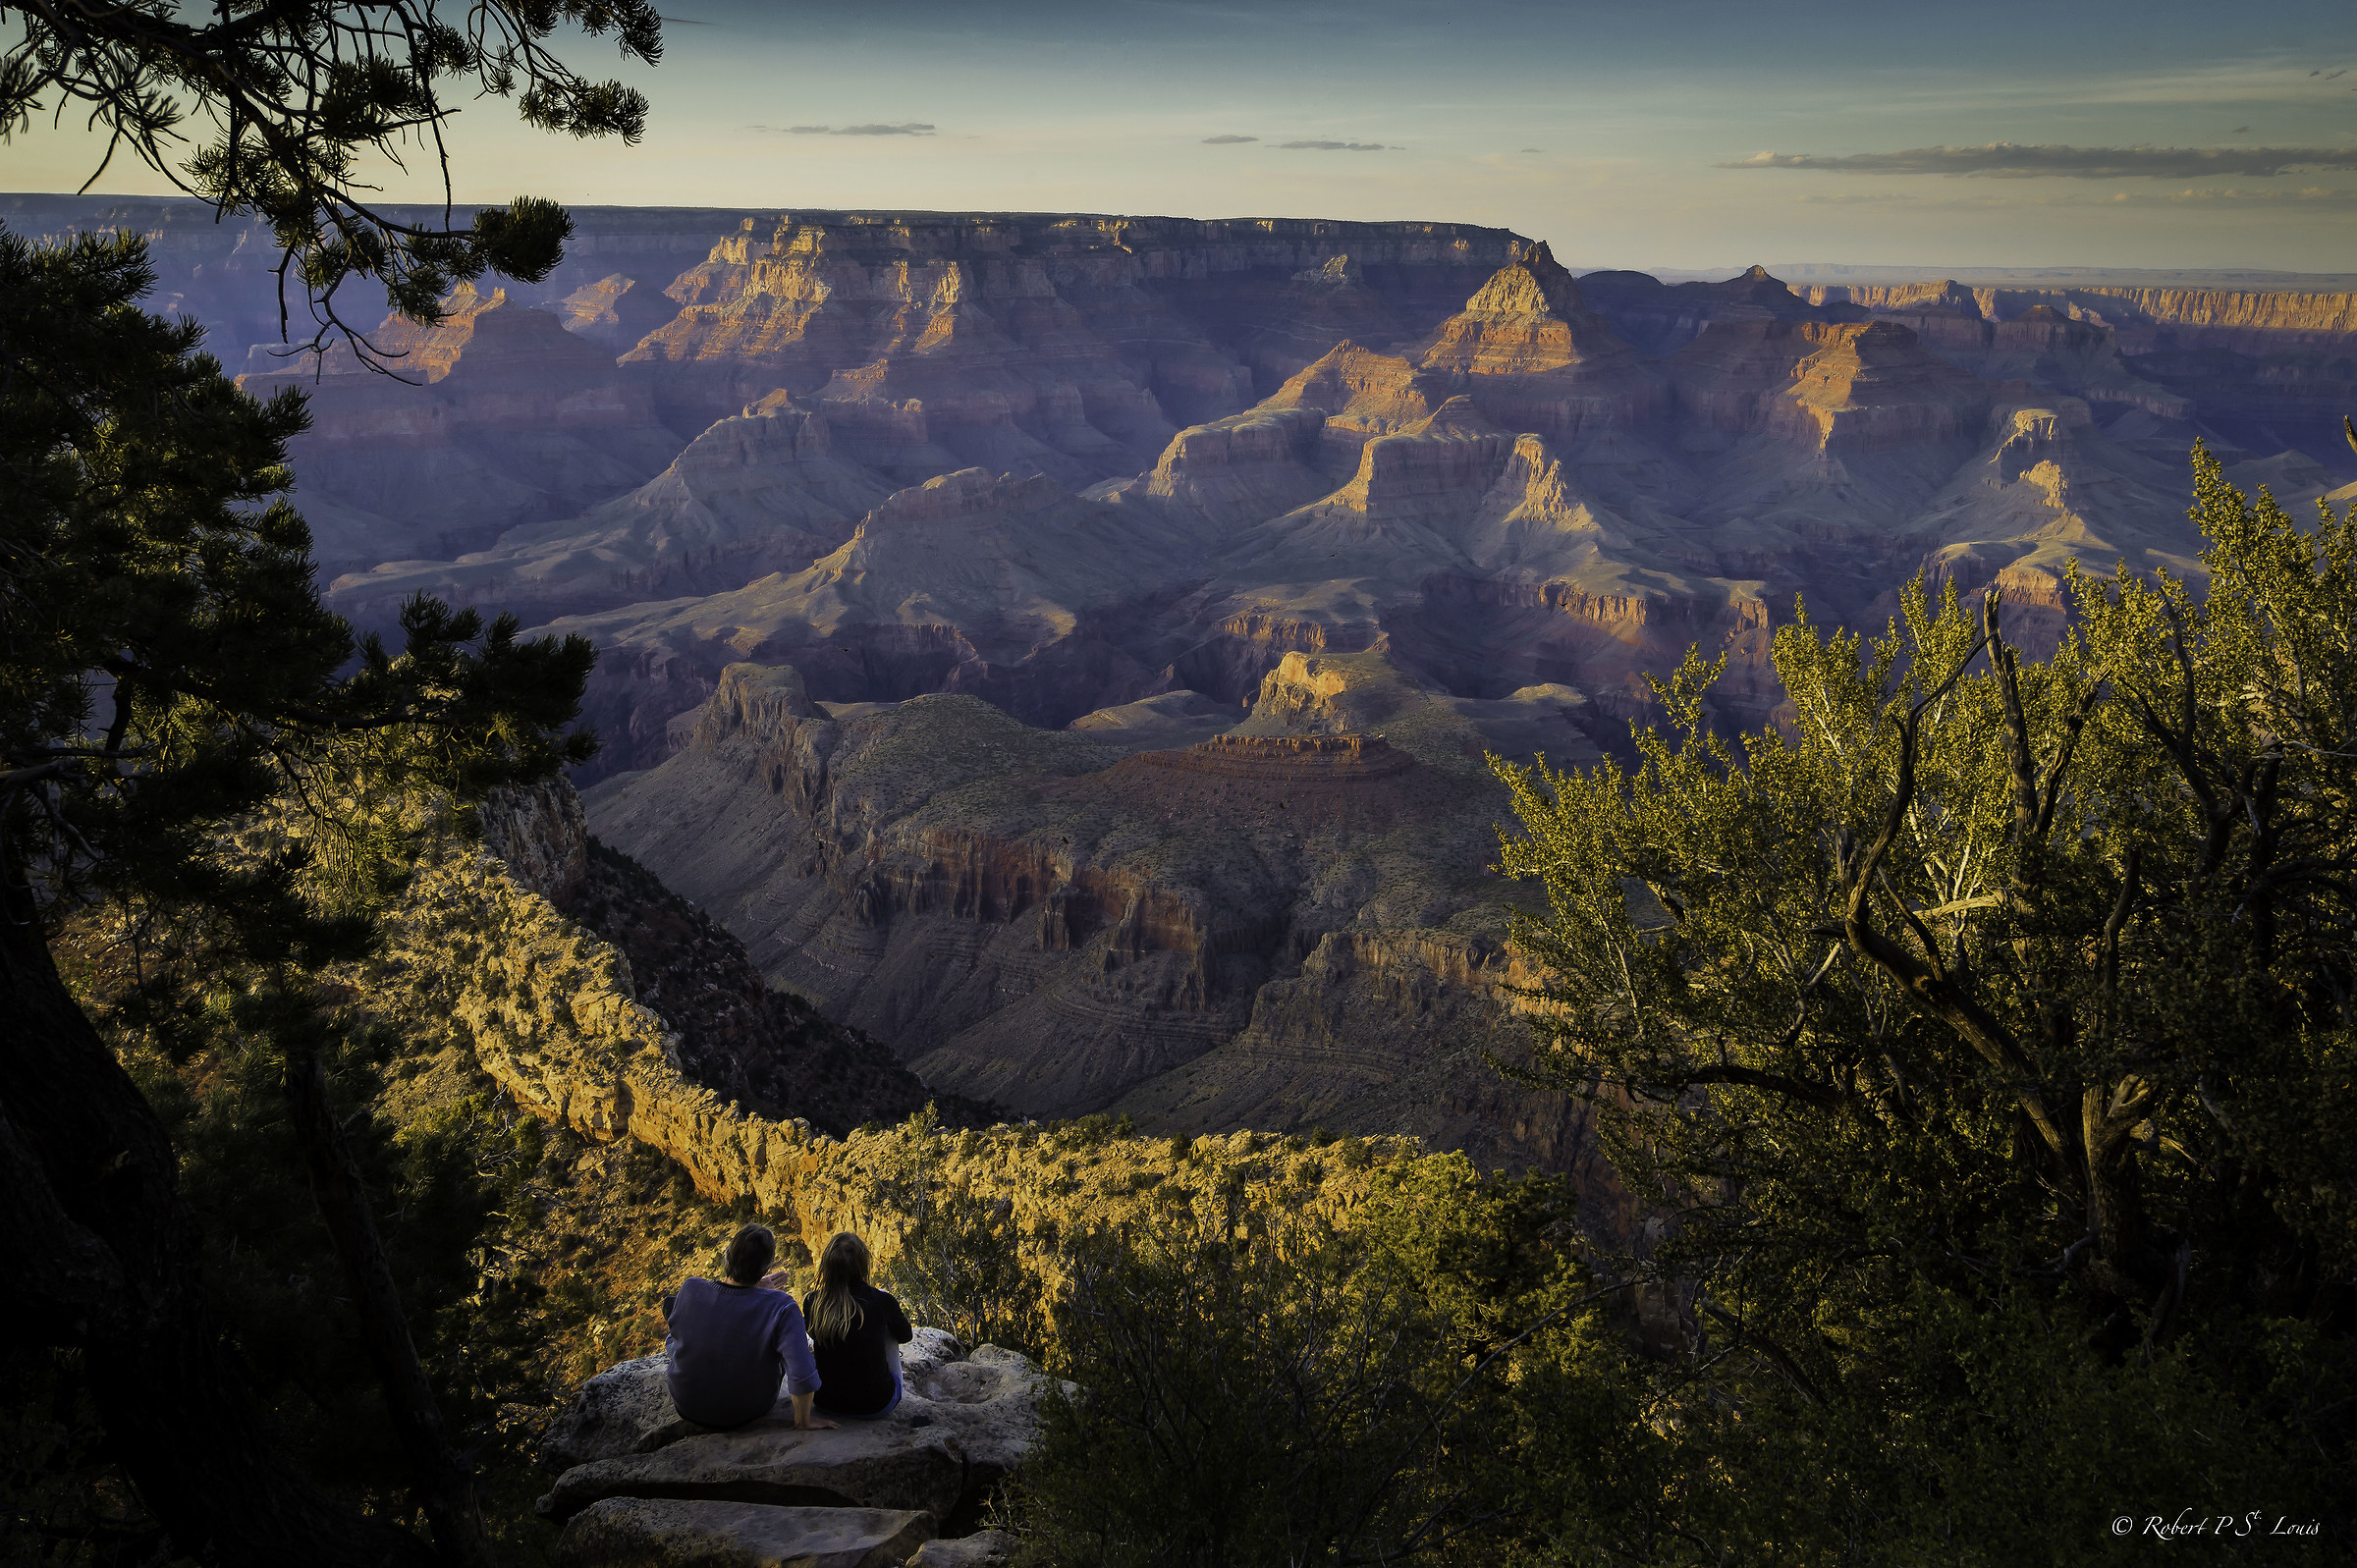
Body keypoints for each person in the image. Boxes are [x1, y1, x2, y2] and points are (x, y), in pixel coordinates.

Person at [662, 1223, 835, 1431]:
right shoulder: (782, 1306)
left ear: (728, 1256)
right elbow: (801, 1371)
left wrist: (751, 1287)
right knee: (778, 1349)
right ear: (767, 1266)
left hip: (688, 1405)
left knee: (673, 1338)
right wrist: (804, 1421)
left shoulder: (691, 1288)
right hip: (747, 1410)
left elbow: (722, 1298)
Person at [803, 1232, 913, 1420]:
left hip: (825, 1403)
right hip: (875, 1405)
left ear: (827, 1265)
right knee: (886, 1327)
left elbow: (813, 1334)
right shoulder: (881, 1300)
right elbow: (905, 1336)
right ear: (863, 1264)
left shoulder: (813, 1301)